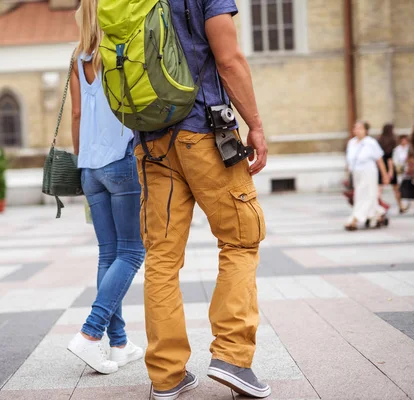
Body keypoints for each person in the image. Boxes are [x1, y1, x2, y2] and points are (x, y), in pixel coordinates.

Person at [132, 2, 271, 399]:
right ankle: (232, 357)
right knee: (241, 239)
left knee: (161, 256)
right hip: (206, 133)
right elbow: (228, 60)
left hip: (151, 141)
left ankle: (166, 376)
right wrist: (256, 125)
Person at [66, 0, 145, 375]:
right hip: (120, 160)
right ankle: (90, 332)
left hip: (90, 168)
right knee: (131, 253)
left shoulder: (77, 58)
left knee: (107, 254)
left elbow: (77, 114)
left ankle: (119, 344)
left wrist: (83, 161)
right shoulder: (118, 48)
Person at [345, 121, 390, 231]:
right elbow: (349, 160)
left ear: (365, 130)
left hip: (368, 172)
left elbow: (379, 160)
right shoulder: (351, 143)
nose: (357, 130)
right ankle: (378, 214)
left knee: (364, 195)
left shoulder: (371, 142)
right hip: (356, 173)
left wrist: (384, 175)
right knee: (365, 196)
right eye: (355, 128)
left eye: (359, 128)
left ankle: (354, 219)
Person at [377, 124, 407, 213]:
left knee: (379, 188)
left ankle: (377, 205)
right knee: (396, 188)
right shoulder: (392, 140)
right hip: (389, 165)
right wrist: (390, 171)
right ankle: (401, 206)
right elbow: (390, 158)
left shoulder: (379, 140)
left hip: (380, 165)